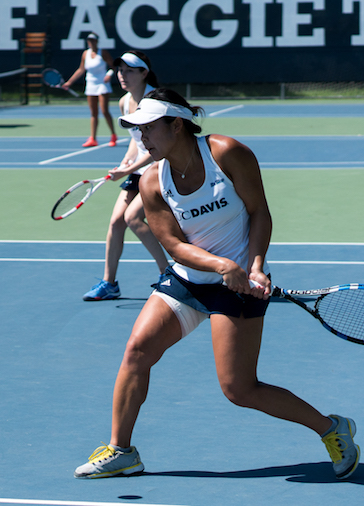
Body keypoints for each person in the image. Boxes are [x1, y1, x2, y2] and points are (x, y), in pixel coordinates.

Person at [74, 88, 359, 480]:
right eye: (136, 132)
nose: (141, 139)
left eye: (147, 130)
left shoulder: (226, 153)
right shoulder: (152, 181)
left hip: (240, 284)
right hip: (189, 281)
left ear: (176, 125)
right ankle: (122, 450)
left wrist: (255, 266)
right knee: (137, 350)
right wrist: (221, 264)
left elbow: (260, 212)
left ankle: (331, 428)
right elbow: (173, 244)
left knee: (239, 389)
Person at [82, 51, 170, 301]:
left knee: (133, 218)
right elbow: (136, 141)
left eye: (129, 71)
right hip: (140, 168)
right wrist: (124, 162)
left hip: (161, 167)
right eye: (120, 70)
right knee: (116, 222)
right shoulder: (123, 102)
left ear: (144, 73)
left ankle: (168, 273)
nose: (123, 75)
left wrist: (128, 169)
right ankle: (109, 283)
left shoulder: (154, 101)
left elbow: (158, 149)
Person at [62, 33, 117, 148]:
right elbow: (81, 69)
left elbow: (113, 66)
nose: (91, 42)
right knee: (93, 113)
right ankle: (93, 138)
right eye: (89, 40)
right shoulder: (85, 54)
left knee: (105, 111)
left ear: (97, 41)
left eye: (93, 40)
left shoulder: (103, 53)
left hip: (102, 85)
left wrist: (109, 74)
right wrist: (69, 82)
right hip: (90, 85)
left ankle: (113, 135)